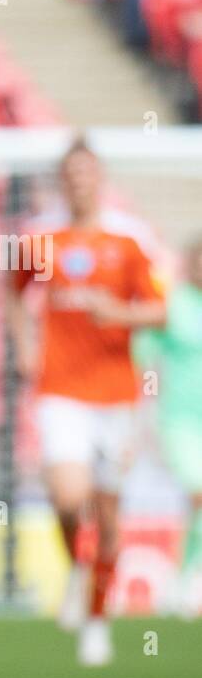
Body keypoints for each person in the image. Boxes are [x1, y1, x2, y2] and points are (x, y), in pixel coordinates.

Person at [7, 139, 167, 665]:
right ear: (62, 179)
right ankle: (77, 567)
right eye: (70, 172)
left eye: (86, 172)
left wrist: (117, 314)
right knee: (69, 497)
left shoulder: (128, 237)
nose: (78, 180)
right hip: (61, 390)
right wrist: (27, 344)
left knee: (110, 513)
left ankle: (97, 623)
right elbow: (12, 290)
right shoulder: (41, 236)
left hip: (118, 393)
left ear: (98, 178)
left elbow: (159, 311)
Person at [135, 238, 202, 613]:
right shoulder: (172, 306)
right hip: (180, 421)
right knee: (199, 491)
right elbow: (145, 351)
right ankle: (184, 579)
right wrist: (146, 394)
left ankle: (184, 578)